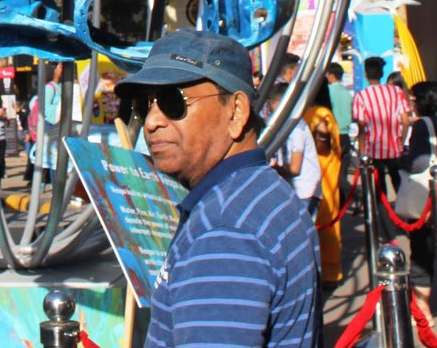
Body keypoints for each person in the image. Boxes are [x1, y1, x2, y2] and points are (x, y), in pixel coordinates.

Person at [114, 30, 320, 348]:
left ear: (236, 112)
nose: (152, 121)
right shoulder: (260, 192)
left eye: (173, 102)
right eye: (144, 105)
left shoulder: (225, 233)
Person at [395, 80, 437, 319]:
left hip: (426, 199)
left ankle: (423, 309)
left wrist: (401, 159)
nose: (410, 102)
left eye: (413, 98)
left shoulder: (422, 125)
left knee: (422, 254)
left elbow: (418, 162)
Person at [302, 84, 343, 287]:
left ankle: (327, 272)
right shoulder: (324, 112)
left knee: (324, 225)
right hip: (326, 172)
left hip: (320, 172)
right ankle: (330, 270)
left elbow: (323, 135)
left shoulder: (318, 113)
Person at [352, 56, 411, 190]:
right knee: (398, 183)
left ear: (366, 75)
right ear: (382, 74)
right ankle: (400, 208)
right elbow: (406, 121)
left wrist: (362, 152)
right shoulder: (396, 91)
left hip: (373, 148)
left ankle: (382, 209)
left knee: (379, 186)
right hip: (394, 147)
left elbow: (361, 126)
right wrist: (400, 142)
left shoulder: (361, 96)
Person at [266, 82, 321, 215]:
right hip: (294, 190)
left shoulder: (296, 128)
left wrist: (273, 169)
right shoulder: (286, 125)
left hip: (304, 191)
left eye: (271, 103)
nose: (269, 108)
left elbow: (295, 168)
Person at [325, 63, 353, 162]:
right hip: (345, 135)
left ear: (331, 76)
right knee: (343, 170)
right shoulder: (347, 93)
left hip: (331, 135)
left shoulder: (327, 91)